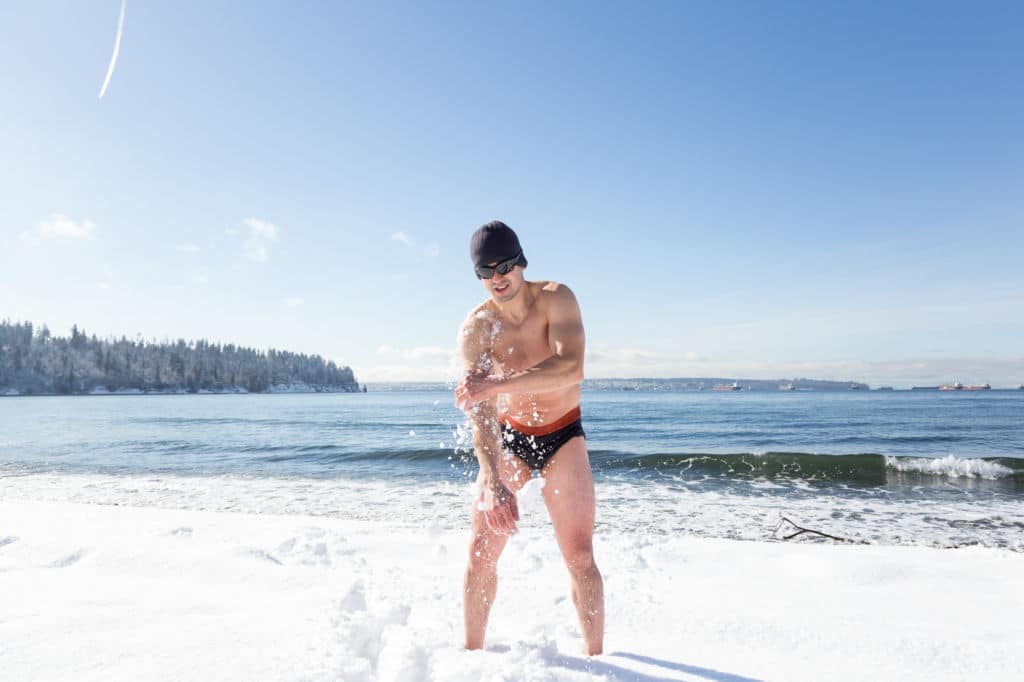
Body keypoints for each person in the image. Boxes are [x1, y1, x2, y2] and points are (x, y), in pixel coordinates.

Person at [454, 220, 604, 656]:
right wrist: (490, 477)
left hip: (563, 433)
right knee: (481, 551)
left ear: (520, 261)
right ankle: (471, 657)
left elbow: (570, 367)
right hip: (511, 436)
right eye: (485, 271)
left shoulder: (556, 298)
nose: (496, 277)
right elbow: (480, 412)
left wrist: (497, 386)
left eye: (503, 265)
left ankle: (598, 660)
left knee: (578, 555)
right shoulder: (478, 327)